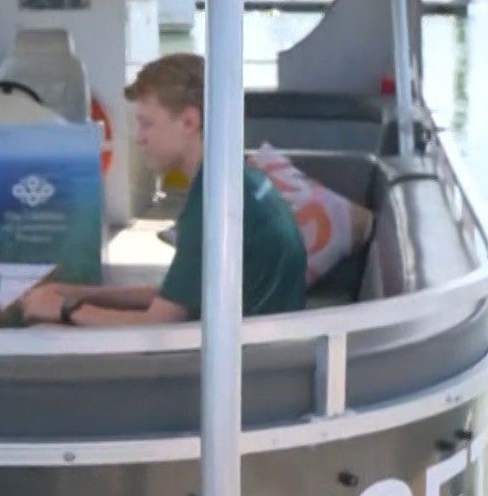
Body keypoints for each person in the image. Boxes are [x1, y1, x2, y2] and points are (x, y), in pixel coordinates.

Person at [20, 53, 307, 326]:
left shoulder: (213, 203)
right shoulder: (236, 179)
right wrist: (77, 294)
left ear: (189, 122)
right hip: (266, 339)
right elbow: (175, 296)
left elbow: (157, 322)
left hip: (246, 355)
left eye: (146, 124)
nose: (139, 138)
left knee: (44, 332)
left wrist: (64, 309)